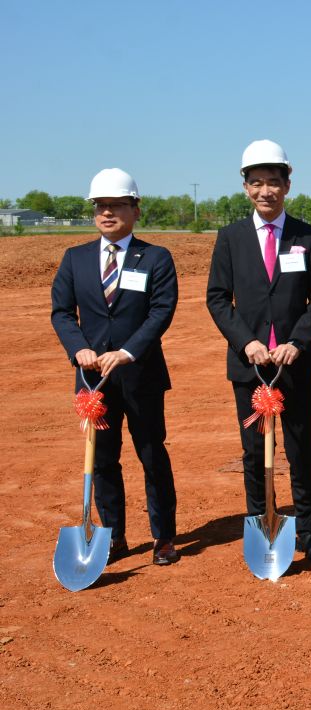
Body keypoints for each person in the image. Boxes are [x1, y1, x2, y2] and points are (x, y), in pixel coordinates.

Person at [206, 140, 311, 562]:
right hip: (250, 366)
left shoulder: (306, 236)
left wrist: (298, 342)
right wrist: (248, 342)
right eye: (257, 183)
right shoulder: (230, 239)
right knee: (253, 452)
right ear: (245, 187)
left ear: (288, 185)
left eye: (274, 183)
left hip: (295, 365)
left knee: (301, 450)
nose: (266, 191)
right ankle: (263, 526)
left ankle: (310, 532)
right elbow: (218, 299)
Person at [50, 168, 180, 566]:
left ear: (135, 209)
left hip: (140, 375)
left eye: (116, 205)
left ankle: (163, 538)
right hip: (94, 381)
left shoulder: (156, 258)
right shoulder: (75, 260)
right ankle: (112, 535)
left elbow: (161, 311)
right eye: (100, 206)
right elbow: (61, 313)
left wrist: (128, 351)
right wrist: (79, 350)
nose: (107, 213)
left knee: (151, 454)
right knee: (102, 459)